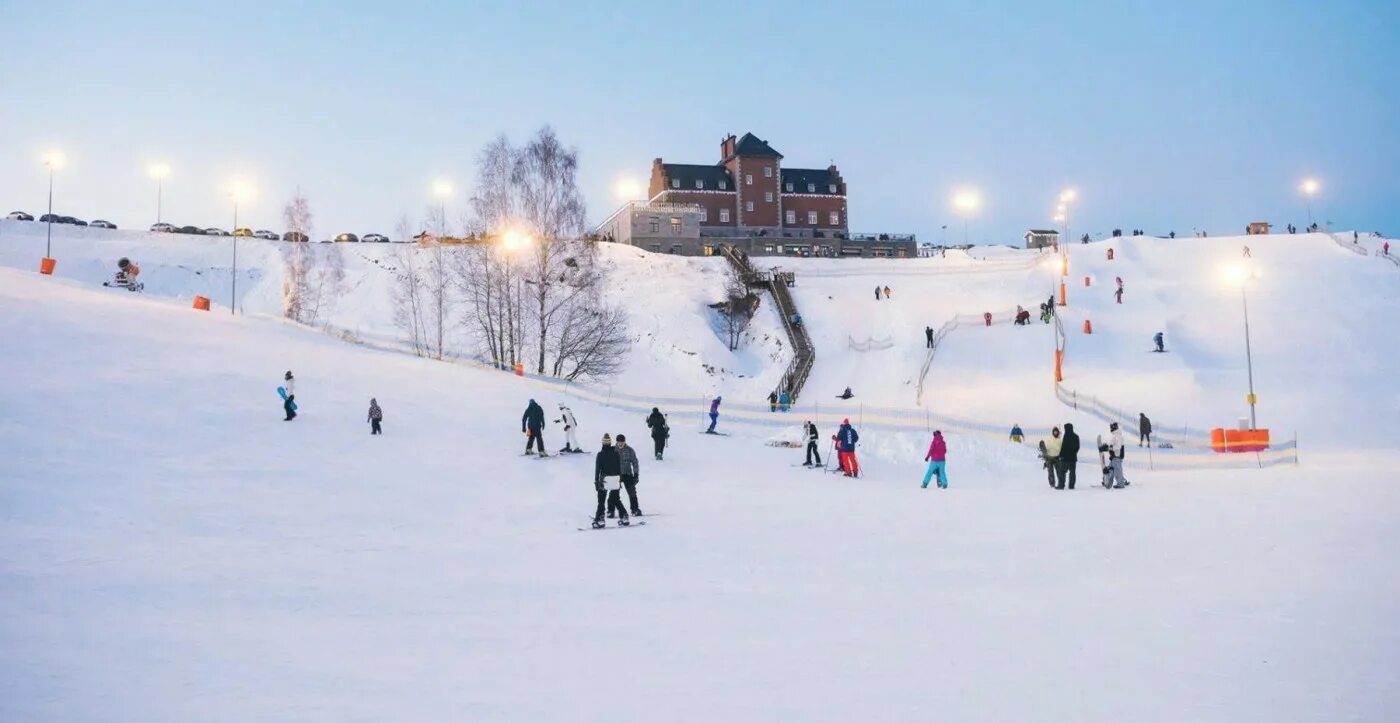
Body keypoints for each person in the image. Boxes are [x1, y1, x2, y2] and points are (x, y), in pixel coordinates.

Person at [592, 433, 628, 528]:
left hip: (605, 481)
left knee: (601, 501)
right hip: (615, 480)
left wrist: (596, 482)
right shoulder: (616, 454)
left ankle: (600, 519)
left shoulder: (600, 455)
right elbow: (619, 468)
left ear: (603, 443)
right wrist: (619, 481)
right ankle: (624, 515)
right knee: (616, 499)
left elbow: (597, 470)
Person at [617, 434, 643, 517]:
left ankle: (635, 509)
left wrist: (636, 474)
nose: (620, 444)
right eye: (619, 442)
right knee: (614, 493)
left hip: (627, 474)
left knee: (632, 492)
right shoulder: (613, 450)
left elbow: (635, 462)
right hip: (617, 475)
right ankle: (610, 510)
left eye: (622, 442)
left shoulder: (629, 450)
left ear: (625, 442)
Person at [1105, 422, 1129, 489]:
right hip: (1114, 456)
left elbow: (1118, 447)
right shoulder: (1116, 435)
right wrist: (1108, 447)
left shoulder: (1117, 436)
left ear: (1113, 427)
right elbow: (1113, 444)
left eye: (1111, 427)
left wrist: (1110, 448)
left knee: (1117, 470)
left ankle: (1121, 484)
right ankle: (1107, 481)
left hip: (1117, 456)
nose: (1110, 428)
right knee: (1111, 468)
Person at [1056, 423, 1080, 490]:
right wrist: (1074, 453)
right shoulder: (1076, 436)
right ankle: (1071, 486)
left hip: (1065, 458)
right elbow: (1078, 447)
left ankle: (1061, 485)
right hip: (1073, 459)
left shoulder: (1066, 436)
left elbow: (1063, 447)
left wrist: (1060, 455)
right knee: (1072, 473)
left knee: (1062, 472)